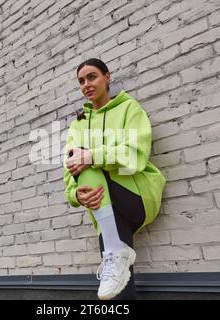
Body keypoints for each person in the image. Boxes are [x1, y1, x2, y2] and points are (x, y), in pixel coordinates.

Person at [63, 58, 166, 300]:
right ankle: (116, 252)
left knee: (87, 164)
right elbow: (69, 167)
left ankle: (115, 249)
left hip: (136, 196)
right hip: (104, 204)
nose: (86, 84)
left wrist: (92, 156)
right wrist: (75, 195)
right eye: (81, 81)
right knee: (116, 282)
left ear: (107, 77)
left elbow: (135, 155)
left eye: (92, 77)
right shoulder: (77, 126)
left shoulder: (129, 109)